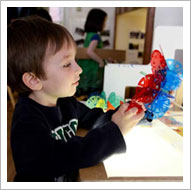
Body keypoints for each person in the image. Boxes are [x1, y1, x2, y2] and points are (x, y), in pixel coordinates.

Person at [8, 16, 144, 182]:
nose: (79, 69)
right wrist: (115, 131)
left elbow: (93, 117)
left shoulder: (65, 101)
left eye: (75, 60)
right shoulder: (27, 122)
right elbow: (67, 156)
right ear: (34, 80)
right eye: (67, 64)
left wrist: (124, 115)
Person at [76, 9, 107, 97]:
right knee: (92, 91)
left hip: (87, 65)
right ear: (98, 22)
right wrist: (101, 61)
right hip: (92, 67)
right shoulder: (96, 36)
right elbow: (90, 51)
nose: (105, 24)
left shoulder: (88, 35)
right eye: (104, 21)